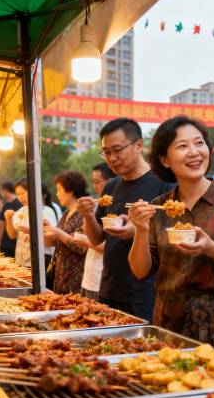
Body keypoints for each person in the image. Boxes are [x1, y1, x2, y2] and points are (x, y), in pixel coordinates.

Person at [128, 116, 214, 360]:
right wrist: (140, 229)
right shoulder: (161, 207)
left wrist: (212, 249)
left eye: (199, 143)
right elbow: (140, 271)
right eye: (182, 146)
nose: (194, 152)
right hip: (168, 322)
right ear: (164, 159)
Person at [76, 118, 173, 321]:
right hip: (109, 287)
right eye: (106, 152)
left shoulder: (165, 184)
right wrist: (86, 215)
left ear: (138, 145)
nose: (111, 158)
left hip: (145, 293)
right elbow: (96, 239)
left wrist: (137, 232)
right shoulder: (110, 187)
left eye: (117, 150)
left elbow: (172, 238)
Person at [45, 171, 89, 294]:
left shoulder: (84, 213)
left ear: (70, 190)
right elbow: (54, 243)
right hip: (61, 275)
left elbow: (82, 247)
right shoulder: (66, 213)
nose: (57, 194)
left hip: (76, 276)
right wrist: (46, 230)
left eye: (59, 190)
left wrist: (58, 233)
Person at [77, 163, 115, 300]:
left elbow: (110, 246)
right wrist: (88, 216)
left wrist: (83, 241)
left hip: (101, 278)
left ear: (112, 181)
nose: (95, 186)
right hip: (89, 276)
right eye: (93, 182)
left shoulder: (117, 207)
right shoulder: (98, 205)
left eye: (97, 182)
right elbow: (93, 235)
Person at [4, 179, 57, 272]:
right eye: (18, 194)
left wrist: (32, 231)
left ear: (34, 191)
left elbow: (51, 239)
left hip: (40, 259)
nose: (20, 197)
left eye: (23, 193)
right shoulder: (22, 210)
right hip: (21, 260)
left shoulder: (46, 211)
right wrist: (8, 219)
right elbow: (12, 235)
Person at [0, 182, 23, 256]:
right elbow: (1, 224)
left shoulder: (20, 204)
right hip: (8, 242)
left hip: (15, 242)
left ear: (5, 190)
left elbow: (1, 224)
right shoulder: (6, 205)